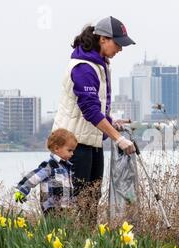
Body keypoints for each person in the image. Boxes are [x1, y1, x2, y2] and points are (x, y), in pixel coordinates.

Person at [52, 16, 136, 223]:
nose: (120, 49)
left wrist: (109, 121)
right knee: (73, 200)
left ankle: (87, 247)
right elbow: (89, 110)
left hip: (91, 141)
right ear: (103, 39)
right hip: (72, 144)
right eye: (118, 43)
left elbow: (95, 106)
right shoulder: (83, 67)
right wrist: (118, 138)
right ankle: (63, 246)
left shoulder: (99, 65)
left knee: (90, 199)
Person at [14, 129, 78, 216]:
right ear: (56, 149)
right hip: (52, 207)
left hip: (66, 207)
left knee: (64, 229)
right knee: (52, 228)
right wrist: (22, 190)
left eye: (73, 151)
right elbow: (34, 177)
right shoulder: (50, 165)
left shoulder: (67, 167)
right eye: (69, 150)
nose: (72, 154)